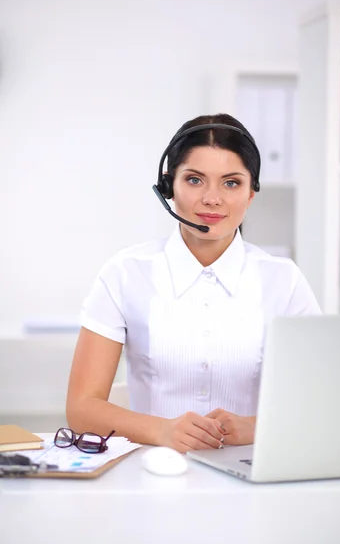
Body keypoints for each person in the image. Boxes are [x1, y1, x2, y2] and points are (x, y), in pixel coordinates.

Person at [66, 113, 321, 453]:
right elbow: (82, 408)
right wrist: (163, 431)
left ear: (251, 195)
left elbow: (318, 404)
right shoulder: (125, 273)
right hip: (152, 470)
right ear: (169, 187)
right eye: (195, 180)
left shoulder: (284, 280)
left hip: (252, 474)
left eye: (231, 183)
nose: (212, 198)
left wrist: (255, 427)